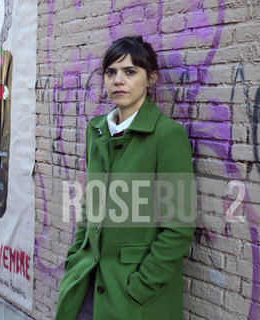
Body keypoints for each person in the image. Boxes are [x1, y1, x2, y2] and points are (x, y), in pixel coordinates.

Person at [56, 36, 196, 320]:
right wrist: (76, 255)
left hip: (132, 295)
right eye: (111, 72)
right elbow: (90, 205)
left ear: (151, 79)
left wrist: (142, 285)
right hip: (87, 281)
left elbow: (179, 228)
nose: (118, 80)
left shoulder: (167, 136)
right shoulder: (97, 132)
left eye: (130, 72)